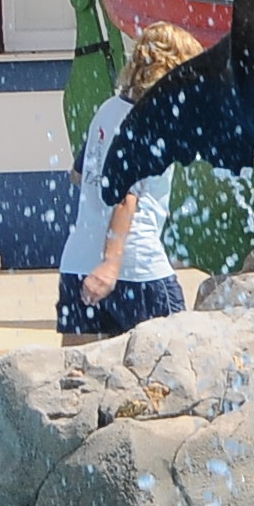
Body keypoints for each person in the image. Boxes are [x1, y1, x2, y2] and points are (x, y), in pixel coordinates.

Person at [58, 22, 199, 338]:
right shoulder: (149, 123)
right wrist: (110, 265)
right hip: (136, 272)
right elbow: (125, 197)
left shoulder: (108, 110)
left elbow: (78, 175)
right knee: (176, 371)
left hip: (78, 263)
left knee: (77, 380)